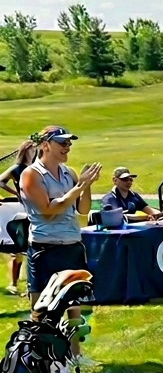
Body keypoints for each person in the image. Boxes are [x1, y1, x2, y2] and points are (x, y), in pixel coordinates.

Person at [18, 127, 100, 326]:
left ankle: (74, 354)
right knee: (40, 309)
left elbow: (82, 208)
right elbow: (48, 211)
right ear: (45, 145)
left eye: (69, 143)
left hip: (71, 245)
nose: (68, 147)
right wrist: (79, 187)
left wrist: (86, 186)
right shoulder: (31, 175)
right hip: (44, 248)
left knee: (74, 305)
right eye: (62, 143)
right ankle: (40, 354)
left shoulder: (68, 172)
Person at [1, 139, 37, 295]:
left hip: (38, 209)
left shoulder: (38, 168)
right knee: (22, 248)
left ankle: (31, 285)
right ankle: (16, 283)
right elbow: (1, 181)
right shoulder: (18, 168)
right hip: (26, 209)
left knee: (32, 248)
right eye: (32, 149)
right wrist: (15, 193)